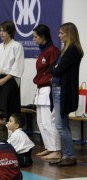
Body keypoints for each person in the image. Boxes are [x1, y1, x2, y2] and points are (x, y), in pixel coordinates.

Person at [50, 22, 84, 167]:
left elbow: (56, 70)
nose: (59, 36)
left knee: (60, 125)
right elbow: (54, 67)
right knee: (63, 124)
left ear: (69, 34)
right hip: (58, 89)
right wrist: (55, 67)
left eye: (62, 33)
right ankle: (67, 155)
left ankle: (69, 155)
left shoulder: (73, 50)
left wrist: (55, 68)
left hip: (63, 91)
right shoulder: (65, 49)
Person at [32, 24, 61, 160]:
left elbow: (55, 70)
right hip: (40, 89)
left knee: (49, 122)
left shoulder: (53, 51)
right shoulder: (43, 51)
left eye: (35, 37)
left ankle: (56, 149)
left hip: (48, 88)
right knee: (41, 122)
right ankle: (49, 147)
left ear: (43, 37)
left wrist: (48, 80)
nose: (34, 39)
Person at [0, 20, 24, 120]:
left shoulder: (17, 46)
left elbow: (17, 67)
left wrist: (5, 79)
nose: (1, 33)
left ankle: (10, 130)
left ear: (10, 32)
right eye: (0, 30)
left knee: (8, 107)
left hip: (10, 79)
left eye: (4, 31)